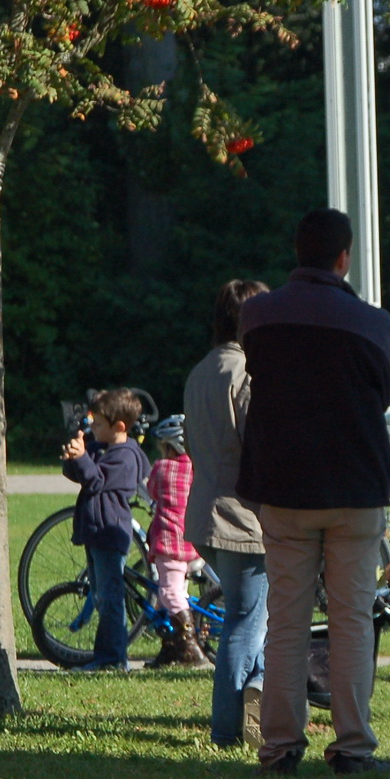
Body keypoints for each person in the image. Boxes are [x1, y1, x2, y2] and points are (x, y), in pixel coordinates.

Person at [240, 210, 390, 775]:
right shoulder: (371, 322)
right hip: (355, 486)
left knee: (284, 619)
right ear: (344, 258)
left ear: (296, 250)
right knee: (352, 618)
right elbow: (386, 389)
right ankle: (352, 744)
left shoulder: (257, 317)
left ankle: (281, 745)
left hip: (283, 484)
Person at [184, 279, 271, 749]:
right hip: (243, 518)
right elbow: (259, 449)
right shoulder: (245, 373)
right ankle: (226, 727)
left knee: (253, 614)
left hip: (204, 514)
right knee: (247, 619)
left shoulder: (201, 371)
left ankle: (255, 691)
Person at [60, 388, 150, 672]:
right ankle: (104, 656)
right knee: (101, 597)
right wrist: (74, 457)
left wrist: (84, 458)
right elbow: (83, 477)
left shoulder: (125, 457)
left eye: (98, 423)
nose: (93, 427)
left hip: (110, 532)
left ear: (119, 427)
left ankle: (113, 658)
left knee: (111, 599)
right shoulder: (106, 448)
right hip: (96, 532)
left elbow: (97, 481)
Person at [142, 415, 210, 668]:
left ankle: (190, 647)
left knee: (170, 593)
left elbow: (151, 492)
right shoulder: (196, 468)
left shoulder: (162, 468)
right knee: (169, 594)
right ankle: (170, 648)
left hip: (169, 543)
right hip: (193, 543)